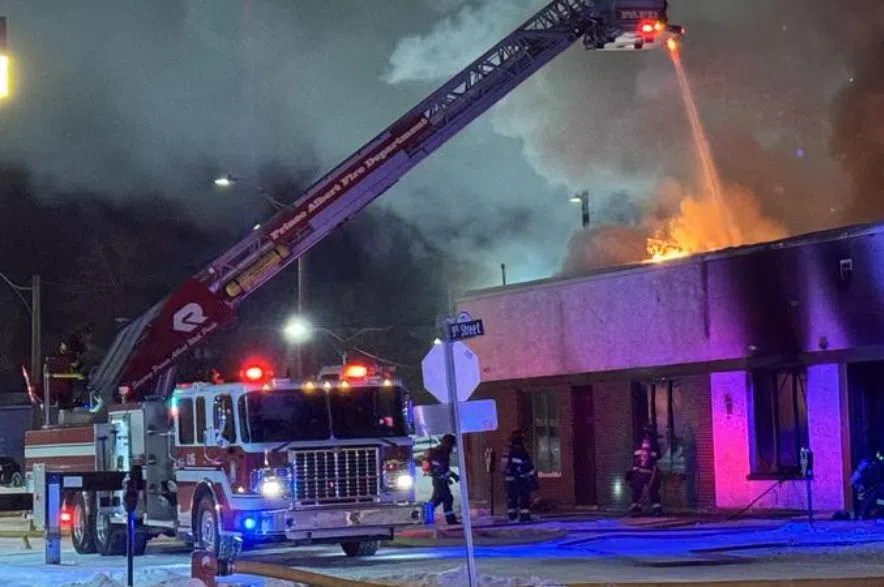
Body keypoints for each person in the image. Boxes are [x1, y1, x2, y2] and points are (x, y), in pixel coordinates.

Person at [502, 429, 537, 522]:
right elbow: (527, 467)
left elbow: (504, 468)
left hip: (510, 481)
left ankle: (512, 517)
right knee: (524, 498)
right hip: (520, 480)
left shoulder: (507, 452)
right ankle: (524, 517)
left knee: (512, 499)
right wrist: (533, 479)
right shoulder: (520, 453)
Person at [626, 432, 662, 516]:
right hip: (642, 472)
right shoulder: (651, 446)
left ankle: (655, 508)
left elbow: (656, 457)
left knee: (651, 491)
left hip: (647, 473)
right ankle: (637, 507)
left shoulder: (649, 446)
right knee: (640, 491)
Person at [427, 433, 459, 525]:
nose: (452, 447)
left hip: (440, 480)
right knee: (448, 498)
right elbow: (440, 468)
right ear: (447, 443)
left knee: (438, 499)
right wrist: (450, 476)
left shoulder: (443, 452)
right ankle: (450, 520)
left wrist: (452, 476)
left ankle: (424, 514)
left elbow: (444, 468)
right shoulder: (440, 453)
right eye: (451, 444)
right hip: (439, 480)